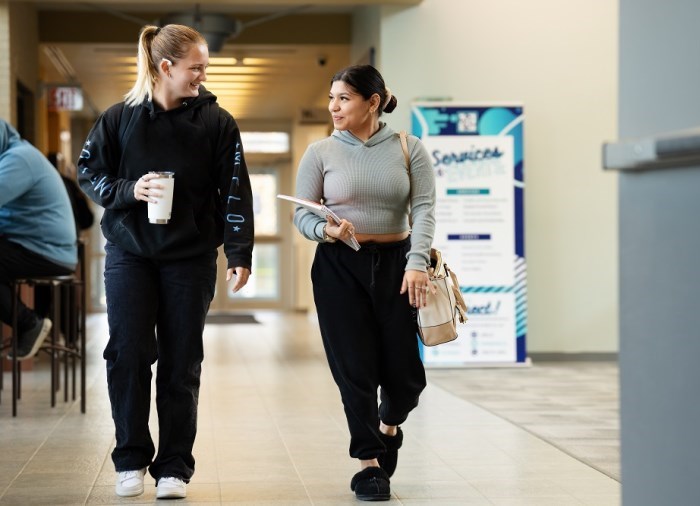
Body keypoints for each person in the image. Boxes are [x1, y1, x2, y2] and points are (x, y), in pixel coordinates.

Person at [77, 24, 254, 500]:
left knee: (182, 361)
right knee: (128, 354)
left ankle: (174, 466)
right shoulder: (119, 119)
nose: (202, 76)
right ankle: (130, 458)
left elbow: (235, 192)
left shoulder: (217, 123)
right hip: (130, 256)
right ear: (166, 67)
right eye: (196, 67)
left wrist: (239, 252)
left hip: (190, 260)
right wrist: (129, 190)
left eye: (204, 68)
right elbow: (88, 173)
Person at [292, 65, 436, 501]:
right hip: (340, 266)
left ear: (372, 103)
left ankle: (389, 424)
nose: (334, 107)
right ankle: (368, 464)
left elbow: (425, 210)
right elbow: (302, 213)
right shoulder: (319, 153)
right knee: (353, 369)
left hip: (398, 266)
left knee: (406, 378)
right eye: (332, 98)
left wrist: (416, 263)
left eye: (344, 99)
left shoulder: (409, 148)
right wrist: (326, 231)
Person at [0, 120, 77, 360]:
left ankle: (28, 323)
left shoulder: (19, 159)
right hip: (40, 247)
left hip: (48, 251)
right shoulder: (17, 155)